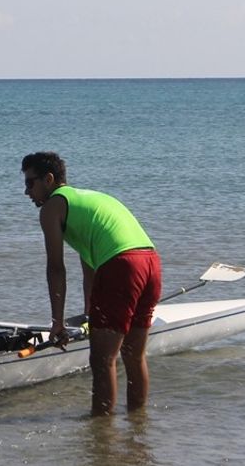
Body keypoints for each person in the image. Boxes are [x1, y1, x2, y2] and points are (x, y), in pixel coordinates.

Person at [20, 151, 162, 416]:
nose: (26, 192)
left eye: (30, 183)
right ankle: (138, 429)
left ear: (48, 180)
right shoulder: (89, 201)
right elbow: (92, 270)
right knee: (133, 355)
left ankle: (101, 440)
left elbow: (55, 268)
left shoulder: (53, 206)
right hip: (150, 262)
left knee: (102, 360)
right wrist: (90, 316)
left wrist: (57, 323)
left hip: (122, 266)